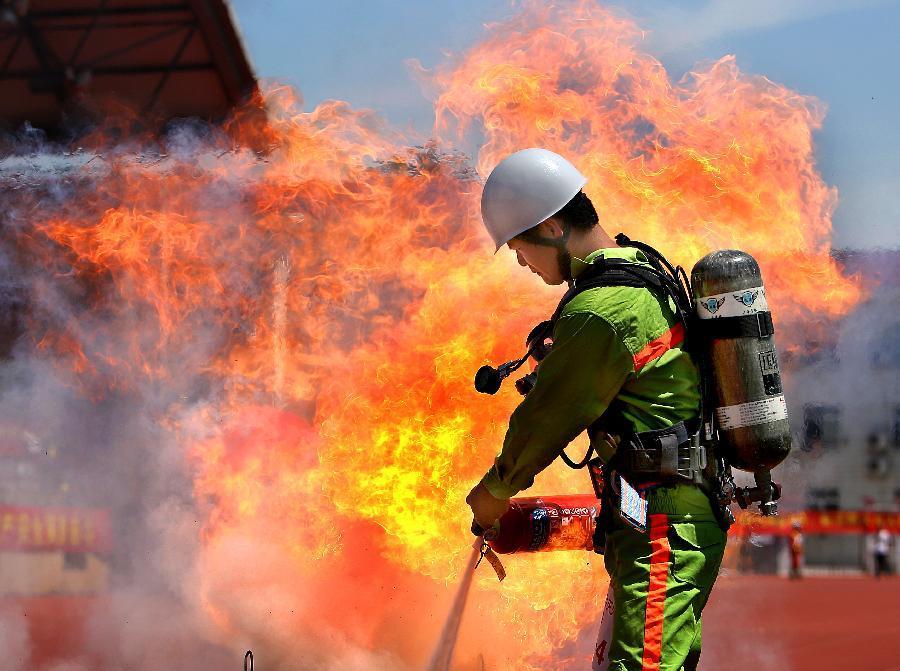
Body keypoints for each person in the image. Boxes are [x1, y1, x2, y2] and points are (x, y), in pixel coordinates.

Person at [466, 149, 727, 671]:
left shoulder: (601, 310)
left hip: (662, 525)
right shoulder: (639, 268)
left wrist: (496, 489)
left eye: (520, 247)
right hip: (662, 515)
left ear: (554, 226)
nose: (521, 261)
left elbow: (548, 416)